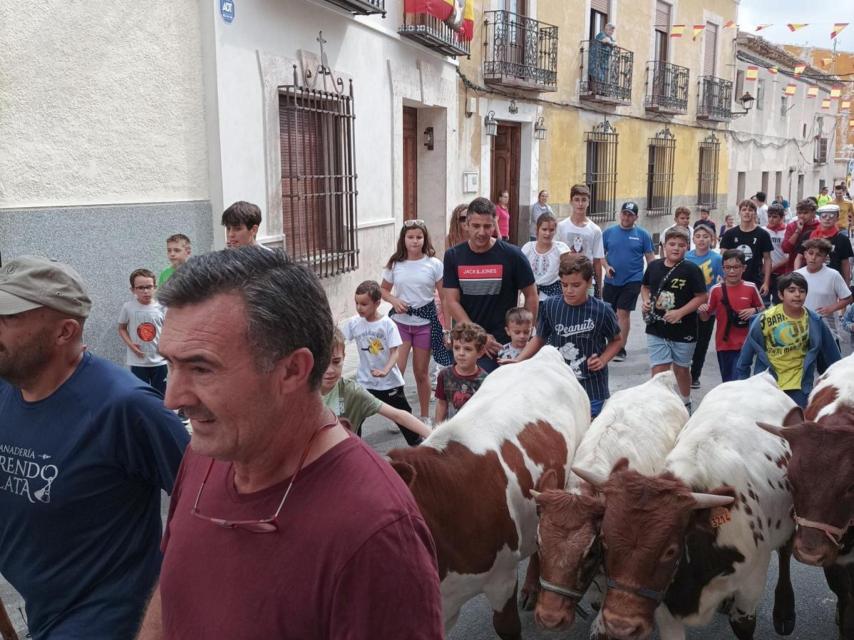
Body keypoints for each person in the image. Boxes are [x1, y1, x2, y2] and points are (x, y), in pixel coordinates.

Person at [143, 247, 443, 639]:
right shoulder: (208, 453)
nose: (173, 399)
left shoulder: (377, 534)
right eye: (171, 364)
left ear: (292, 370)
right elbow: (172, 592)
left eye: (201, 368)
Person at [0, 256, 189, 639]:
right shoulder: (5, 388)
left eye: (9, 318)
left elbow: (208, 499)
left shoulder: (126, 406)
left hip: (109, 618)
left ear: (64, 331)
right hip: (41, 610)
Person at [508, 253, 622, 418]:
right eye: (564, 285)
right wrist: (518, 361)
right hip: (557, 383)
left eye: (576, 285)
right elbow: (539, 338)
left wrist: (603, 359)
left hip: (592, 386)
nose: (569, 290)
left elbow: (616, 341)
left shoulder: (603, 310)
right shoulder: (550, 306)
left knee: (587, 430)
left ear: (589, 282)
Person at [443, 196, 537, 373]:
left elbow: (531, 295)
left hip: (504, 345)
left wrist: (525, 333)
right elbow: (452, 301)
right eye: (476, 226)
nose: (482, 232)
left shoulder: (513, 255)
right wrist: (479, 335)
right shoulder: (453, 256)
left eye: (487, 226)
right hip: (469, 342)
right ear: (467, 225)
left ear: (495, 224)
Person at [736, 272, 841, 407]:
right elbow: (746, 356)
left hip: (800, 388)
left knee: (796, 426)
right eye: (791, 290)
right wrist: (742, 385)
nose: (797, 294)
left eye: (802, 291)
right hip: (767, 385)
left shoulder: (815, 321)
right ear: (780, 295)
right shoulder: (764, 319)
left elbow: (833, 357)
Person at [381, 220, 445, 424]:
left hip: (424, 324)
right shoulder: (395, 264)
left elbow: (445, 297)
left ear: (424, 239)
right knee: (396, 371)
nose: (415, 241)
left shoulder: (434, 264)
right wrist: (394, 300)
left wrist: (447, 328)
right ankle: (398, 416)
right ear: (403, 239)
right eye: (410, 237)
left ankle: (424, 416)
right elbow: (382, 290)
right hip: (400, 324)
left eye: (419, 237)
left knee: (420, 373)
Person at [341, 280, 420, 446]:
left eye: (364, 304)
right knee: (355, 418)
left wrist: (385, 370)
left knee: (403, 417)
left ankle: (418, 446)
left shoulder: (387, 324)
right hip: (365, 382)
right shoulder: (354, 323)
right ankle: (355, 448)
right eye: (356, 303)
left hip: (389, 384)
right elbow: (339, 341)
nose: (359, 308)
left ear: (377, 303)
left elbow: (395, 352)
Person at [641, 226, 707, 413]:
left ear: (687, 247)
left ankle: (685, 401)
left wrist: (680, 312)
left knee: (681, 368)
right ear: (663, 246)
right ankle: (657, 405)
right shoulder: (654, 266)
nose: (676, 248)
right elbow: (645, 287)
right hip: (656, 327)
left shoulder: (692, 270)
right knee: (659, 369)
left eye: (681, 245)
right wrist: (646, 302)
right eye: (672, 244)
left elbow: (702, 297)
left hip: (683, 329)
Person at [321, 329, 432, 439]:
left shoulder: (351, 391)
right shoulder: (304, 392)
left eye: (336, 361)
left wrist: (435, 437)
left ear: (344, 357)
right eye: (323, 362)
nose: (329, 370)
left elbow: (398, 415)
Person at [602, 201, 655, 362]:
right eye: (624, 213)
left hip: (633, 279)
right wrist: (607, 266)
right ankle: (611, 342)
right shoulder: (609, 233)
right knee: (610, 313)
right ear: (620, 214)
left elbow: (650, 258)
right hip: (611, 280)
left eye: (630, 215)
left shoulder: (643, 235)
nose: (626, 217)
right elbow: (600, 255)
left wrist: (651, 280)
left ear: (636, 217)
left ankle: (620, 348)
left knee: (622, 313)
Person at [699, 249, 763, 382]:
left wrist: (754, 310)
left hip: (745, 343)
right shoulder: (716, 290)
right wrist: (702, 310)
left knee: (739, 378)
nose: (732, 271)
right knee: (728, 380)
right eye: (728, 267)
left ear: (744, 268)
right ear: (723, 269)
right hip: (724, 343)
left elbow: (763, 309)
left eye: (736, 267)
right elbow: (706, 317)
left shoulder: (751, 288)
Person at [118, 268, 168, 396]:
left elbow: (169, 330)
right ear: (133, 290)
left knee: (161, 395)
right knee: (141, 395)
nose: (146, 291)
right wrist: (131, 346)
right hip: (138, 361)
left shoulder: (162, 307)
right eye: (140, 288)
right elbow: (122, 328)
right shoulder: (128, 307)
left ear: (155, 287)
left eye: (149, 287)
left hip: (160, 361)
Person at [685, 223, 723, 389]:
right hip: (687, 306)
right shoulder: (686, 257)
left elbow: (720, 284)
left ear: (712, 239)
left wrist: (711, 305)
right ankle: (682, 372)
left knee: (702, 342)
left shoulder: (716, 259)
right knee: (686, 341)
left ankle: (695, 375)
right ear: (693, 239)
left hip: (708, 308)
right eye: (698, 236)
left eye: (705, 236)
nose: (701, 240)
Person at [795, 238, 852, 343]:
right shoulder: (797, 275)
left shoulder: (833, 275)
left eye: (819, 255)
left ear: (825, 258)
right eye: (811, 253)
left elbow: (848, 298)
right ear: (805, 254)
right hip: (800, 331)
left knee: (830, 359)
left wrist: (831, 308)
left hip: (828, 331)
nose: (813, 258)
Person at [556, 184, 605, 296]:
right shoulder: (561, 227)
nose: (580, 204)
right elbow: (556, 255)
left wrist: (599, 291)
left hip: (587, 283)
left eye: (584, 200)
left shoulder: (595, 230)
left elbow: (597, 262)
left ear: (588, 202)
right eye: (577, 200)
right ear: (571, 202)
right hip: (565, 282)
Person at [434, 322, 488, 422]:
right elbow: (442, 404)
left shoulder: (485, 380)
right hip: (450, 430)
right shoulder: (445, 375)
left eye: (468, 349)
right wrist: (436, 429)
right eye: (457, 348)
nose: (461, 353)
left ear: (480, 352)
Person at [719, 199, 773, 298]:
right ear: (739, 213)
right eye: (744, 209)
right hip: (733, 280)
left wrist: (766, 282)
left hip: (755, 280)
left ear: (755, 213)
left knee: (755, 311)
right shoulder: (730, 234)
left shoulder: (763, 234)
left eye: (750, 210)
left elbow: (767, 259)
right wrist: (723, 278)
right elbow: (723, 257)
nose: (747, 212)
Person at [521, 211, 570, 303]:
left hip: (554, 298)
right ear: (537, 229)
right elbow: (520, 273)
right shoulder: (527, 248)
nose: (547, 233)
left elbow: (567, 275)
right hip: (532, 297)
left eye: (551, 230)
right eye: (544, 229)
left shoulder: (561, 249)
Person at [797, 205, 852, 285]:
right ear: (820, 218)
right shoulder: (808, 235)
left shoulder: (842, 239)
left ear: (837, 218)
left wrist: (847, 284)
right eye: (824, 216)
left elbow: (845, 263)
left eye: (831, 216)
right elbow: (799, 257)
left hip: (832, 280)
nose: (827, 219)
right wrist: (796, 275)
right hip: (809, 278)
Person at [781, 198, 820, 273]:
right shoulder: (792, 226)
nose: (802, 216)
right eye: (799, 213)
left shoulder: (819, 226)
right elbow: (785, 249)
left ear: (813, 213)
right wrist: (798, 231)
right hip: (793, 268)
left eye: (805, 213)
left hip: (814, 268)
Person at [765, 203, 789, 304]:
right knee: (763, 302)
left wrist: (773, 267)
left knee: (779, 302)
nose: (771, 219)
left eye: (775, 217)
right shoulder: (764, 231)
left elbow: (789, 255)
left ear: (782, 217)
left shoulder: (787, 230)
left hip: (781, 272)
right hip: (765, 272)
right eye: (769, 216)